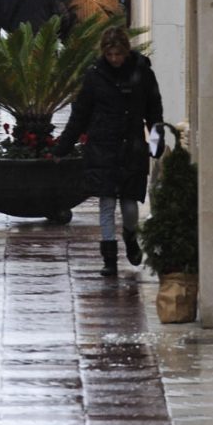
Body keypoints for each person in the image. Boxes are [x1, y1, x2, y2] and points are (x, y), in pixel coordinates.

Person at [53, 26, 164, 276]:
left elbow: (154, 109)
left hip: (132, 146)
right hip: (102, 146)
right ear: (104, 53)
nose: (114, 59)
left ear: (126, 51)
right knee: (105, 203)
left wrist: (157, 138)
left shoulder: (142, 73)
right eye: (110, 54)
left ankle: (130, 236)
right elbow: (80, 114)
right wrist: (63, 146)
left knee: (129, 204)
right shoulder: (94, 76)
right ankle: (109, 259)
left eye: (118, 54)